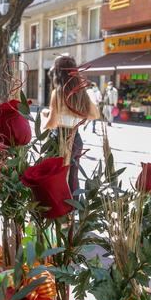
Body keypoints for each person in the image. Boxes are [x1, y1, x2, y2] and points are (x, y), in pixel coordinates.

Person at [42, 55, 100, 195]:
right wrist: (76, 113)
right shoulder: (81, 92)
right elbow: (95, 115)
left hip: (59, 138)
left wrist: (45, 116)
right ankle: (73, 207)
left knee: (56, 175)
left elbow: (52, 123)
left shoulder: (58, 93)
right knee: (73, 176)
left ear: (58, 72)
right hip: (76, 138)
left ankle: (57, 205)